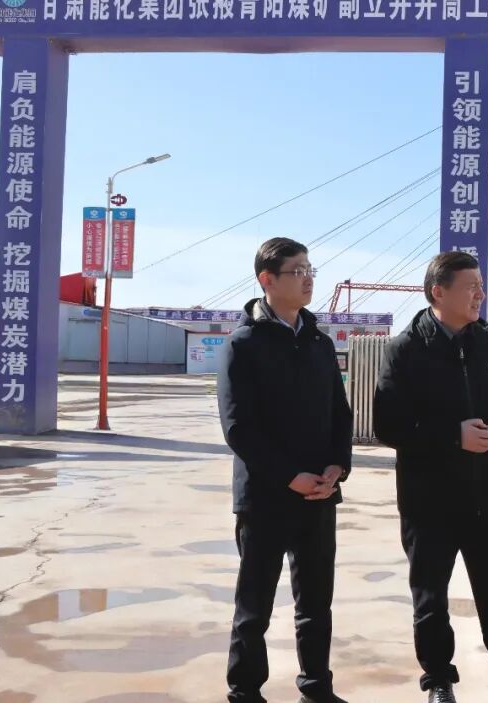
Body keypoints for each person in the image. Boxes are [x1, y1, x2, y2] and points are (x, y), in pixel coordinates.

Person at [372, 252, 488, 703]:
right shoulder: (406, 349)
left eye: (481, 285)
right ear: (439, 292)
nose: (480, 295)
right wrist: (454, 436)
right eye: (471, 286)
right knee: (431, 599)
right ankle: (438, 681)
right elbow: (389, 425)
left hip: (485, 497)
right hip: (428, 502)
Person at [216, 237, 353, 703]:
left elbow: (340, 413)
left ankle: (317, 688)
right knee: (254, 606)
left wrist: (337, 466)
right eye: (298, 271)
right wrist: (289, 476)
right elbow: (239, 428)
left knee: (316, 604)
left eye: (311, 269)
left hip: (318, 493)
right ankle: (245, 691)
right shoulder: (244, 344)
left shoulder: (319, 343)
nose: (308, 278)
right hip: (266, 496)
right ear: (267, 280)